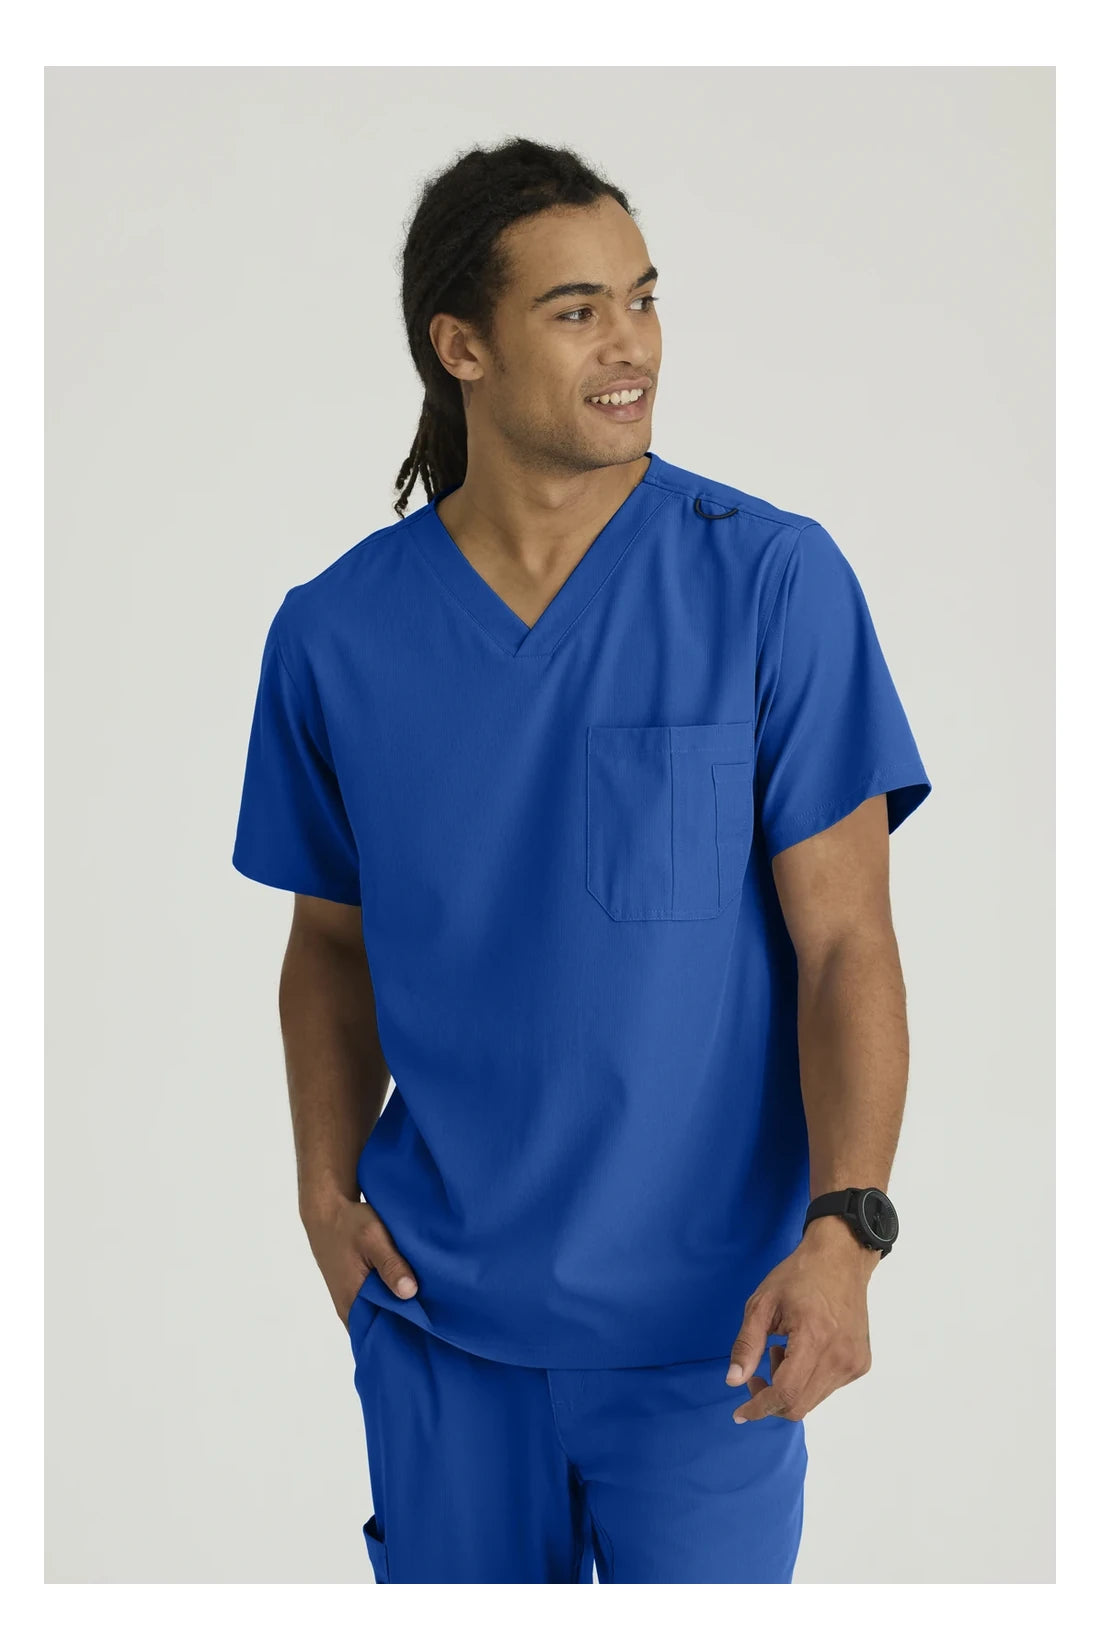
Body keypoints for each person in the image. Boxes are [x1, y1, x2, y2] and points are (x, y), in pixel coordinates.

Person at [231, 136, 932, 1584]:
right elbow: (331, 947)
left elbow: (847, 944)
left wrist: (848, 1229)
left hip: (714, 1335)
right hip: (438, 1324)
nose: (633, 344)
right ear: (462, 346)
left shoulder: (770, 581)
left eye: (644, 297)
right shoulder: (335, 633)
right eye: (578, 310)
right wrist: (320, 1193)